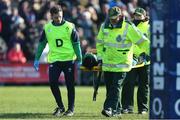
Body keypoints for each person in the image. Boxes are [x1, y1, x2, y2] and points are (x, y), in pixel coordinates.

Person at [96, 6, 150, 117]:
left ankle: (108, 108)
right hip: (107, 64)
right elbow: (100, 44)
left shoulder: (128, 27)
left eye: (115, 18)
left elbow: (143, 42)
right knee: (110, 88)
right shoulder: (103, 27)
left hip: (122, 64)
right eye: (110, 18)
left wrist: (154, 53)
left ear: (120, 16)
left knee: (116, 87)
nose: (112, 20)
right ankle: (117, 110)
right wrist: (100, 58)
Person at [33, 5, 82, 116]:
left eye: (60, 16)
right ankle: (60, 106)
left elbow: (76, 43)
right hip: (55, 60)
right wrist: (36, 59)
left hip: (69, 59)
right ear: (51, 16)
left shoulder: (69, 26)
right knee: (53, 82)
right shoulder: (47, 28)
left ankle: (71, 109)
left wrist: (79, 59)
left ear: (62, 14)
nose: (58, 19)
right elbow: (41, 44)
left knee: (70, 85)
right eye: (56, 17)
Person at [121, 7, 150, 114]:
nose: (137, 17)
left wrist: (148, 55)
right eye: (135, 15)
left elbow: (151, 43)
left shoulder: (148, 27)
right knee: (128, 84)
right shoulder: (129, 26)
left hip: (145, 60)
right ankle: (127, 107)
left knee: (144, 85)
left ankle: (143, 108)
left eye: (139, 15)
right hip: (131, 59)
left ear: (144, 16)